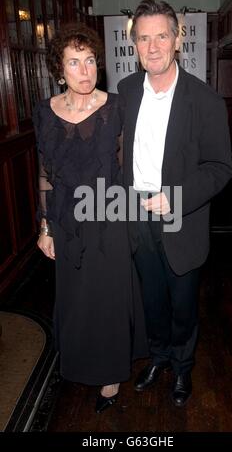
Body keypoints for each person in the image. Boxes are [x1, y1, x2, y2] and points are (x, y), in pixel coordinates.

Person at [118, 0, 232, 407]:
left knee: (183, 305)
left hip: (180, 220)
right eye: (143, 39)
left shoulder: (205, 100)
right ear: (134, 44)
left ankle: (183, 368)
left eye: (161, 36)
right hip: (136, 216)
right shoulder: (127, 91)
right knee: (150, 299)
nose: (152, 47)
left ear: (177, 38)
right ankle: (159, 357)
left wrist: (176, 198)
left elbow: (221, 167)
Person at [33, 22, 148, 414]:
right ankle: (82, 364)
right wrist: (45, 226)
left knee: (110, 301)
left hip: (109, 219)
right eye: (74, 63)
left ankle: (111, 375)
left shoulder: (117, 106)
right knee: (77, 301)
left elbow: (128, 167)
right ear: (59, 69)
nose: (85, 71)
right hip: (66, 223)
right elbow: (45, 172)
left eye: (91, 61)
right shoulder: (44, 112)